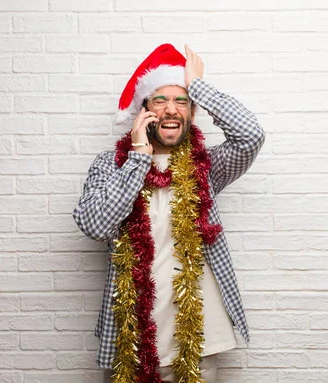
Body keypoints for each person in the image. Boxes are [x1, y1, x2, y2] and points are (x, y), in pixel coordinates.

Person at [72, 43, 265, 383]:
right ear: (143, 110)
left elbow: (250, 136)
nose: (171, 110)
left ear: (193, 111)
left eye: (182, 100)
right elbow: (94, 225)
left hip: (198, 341)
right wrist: (138, 160)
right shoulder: (111, 166)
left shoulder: (207, 168)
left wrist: (200, 87)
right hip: (130, 342)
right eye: (160, 100)